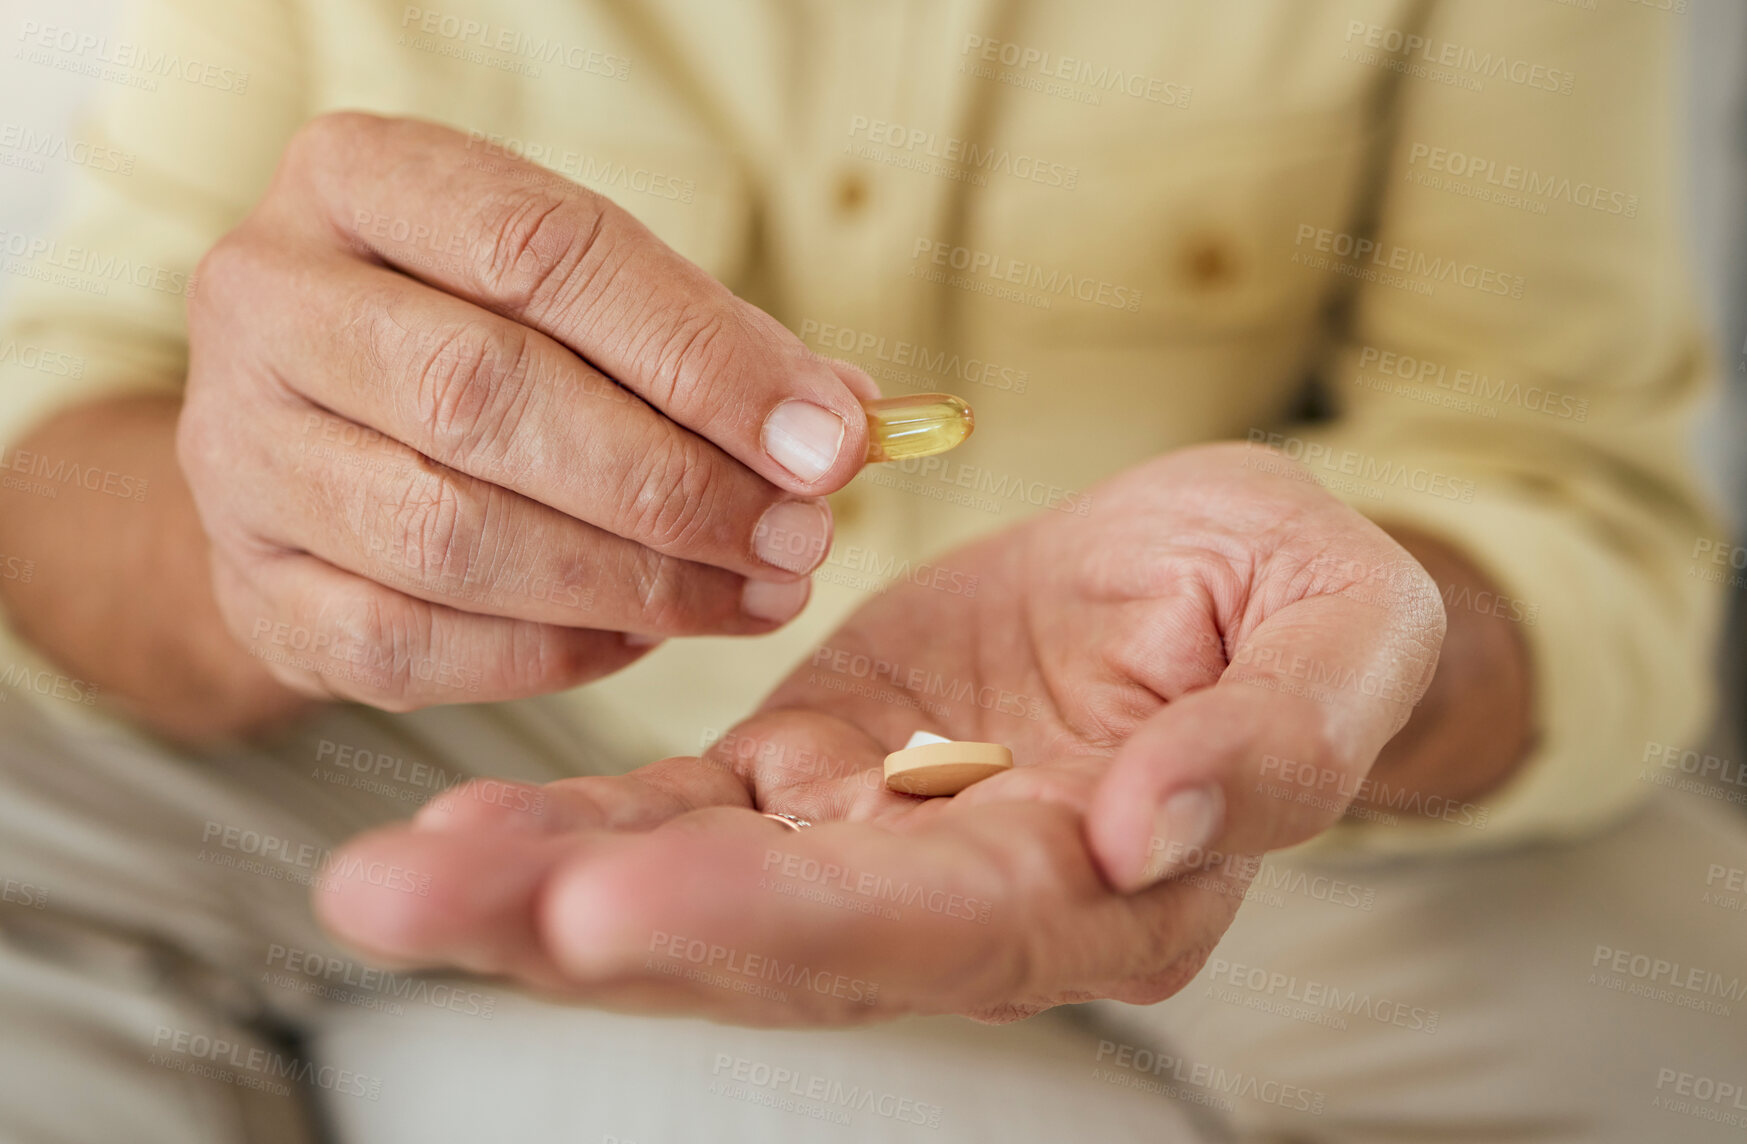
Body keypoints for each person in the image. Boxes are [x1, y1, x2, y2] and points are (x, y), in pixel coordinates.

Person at [0, 1, 1742, 1140]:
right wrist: (253, 535)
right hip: (410, 735)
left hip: (1189, 747)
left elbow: (1562, 481)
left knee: (1693, 1022)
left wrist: (1360, 662)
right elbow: (68, 430)